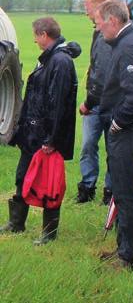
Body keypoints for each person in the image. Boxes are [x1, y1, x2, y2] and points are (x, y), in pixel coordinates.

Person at [1, 17, 80, 244]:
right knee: (22, 176)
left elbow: (58, 105)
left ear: (45, 35)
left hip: (46, 137)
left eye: (36, 35)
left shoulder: (60, 62)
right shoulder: (47, 59)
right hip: (32, 133)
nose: (35, 40)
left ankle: (49, 233)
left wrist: (51, 139)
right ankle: (16, 223)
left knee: (48, 184)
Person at [96, 0, 133, 271]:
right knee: (123, 190)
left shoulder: (129, 47)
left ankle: (130, 257)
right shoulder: (132, 41)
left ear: (112, 21)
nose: (98, 28)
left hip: (130, 131)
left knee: (126, 191)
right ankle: (124, 248)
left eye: (99, 23)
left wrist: (117, 123)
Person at [76, 0, 113, 205]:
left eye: (87, 5)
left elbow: (103, 72)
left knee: (111, 147)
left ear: (99, 6)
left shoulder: (108, 35)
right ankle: (87, 186)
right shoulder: (97, 31)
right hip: (95, 98)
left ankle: (110, 190)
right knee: (88, 144)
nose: (85, 10)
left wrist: (90, 101)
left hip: (105, 102)